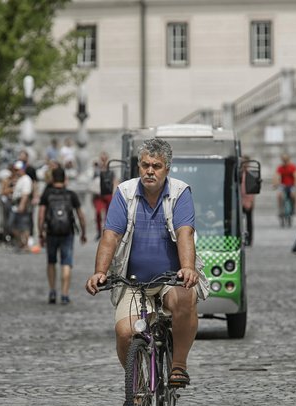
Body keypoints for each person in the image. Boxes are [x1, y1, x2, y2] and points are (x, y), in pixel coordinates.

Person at [85, 138, 206, 392]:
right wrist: (100, 272)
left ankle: (178, 366)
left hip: (171, 279)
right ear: (138, 166)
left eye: (157, 166)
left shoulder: (180, 192)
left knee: (186, 299)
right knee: (125, 333)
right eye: (145, 165)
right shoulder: (125, 193)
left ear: (167, 169)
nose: (150, 171)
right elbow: (111, 236)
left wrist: (187, 267)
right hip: (133, 280)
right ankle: (138, 386)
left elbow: (185, 233)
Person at [38, 167, 87, 304]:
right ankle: (65, 294)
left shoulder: (47, 194)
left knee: (51, 261)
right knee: (66, 262)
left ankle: (53, 291)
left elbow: (41, 215)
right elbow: (80, 216)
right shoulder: (71, 194)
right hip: (67, 232)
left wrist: (40, 232)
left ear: (53, 178)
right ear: (65, 179)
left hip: (51, 232)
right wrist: (83, 232)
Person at [91, 152, 116, 241]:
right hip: (99, 194)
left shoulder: (111, 168)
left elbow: (114, 180)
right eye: (102, 158)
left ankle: (106, 232)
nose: (103, 160)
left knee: (108, 214)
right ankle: (98, 232)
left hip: (108, 193)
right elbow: (93, 179)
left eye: (104, 158)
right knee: (98, 212)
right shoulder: (97, 169)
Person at [10, 160, 33, 252]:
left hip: (22, 204)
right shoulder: (20, 179)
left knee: (24, 226)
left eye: (17, 170)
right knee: (16, 226)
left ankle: (25, 244)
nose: (16, 171)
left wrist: (22, 205)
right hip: (16, 204)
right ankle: (21, 243)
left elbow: (25, 194)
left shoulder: (26, 179)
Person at [240, 156, 255, 245]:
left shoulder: (250, 174)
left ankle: (249, 239)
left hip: (248, 200)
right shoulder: (239, 174)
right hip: (239, 201)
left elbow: (252, 191)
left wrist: (251, 201)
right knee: (239, 221)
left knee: (249, 221)